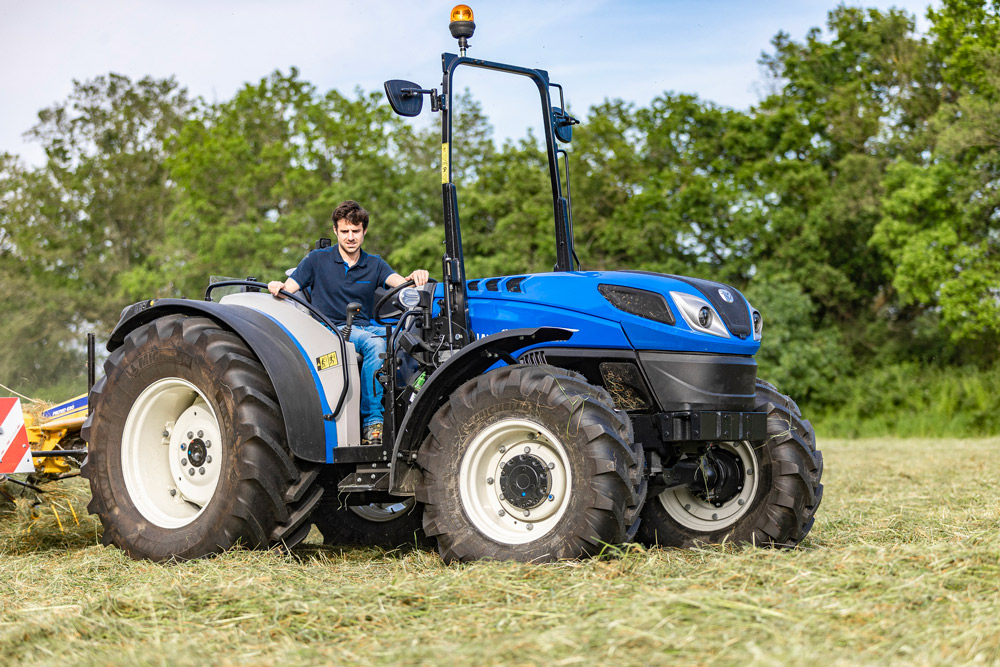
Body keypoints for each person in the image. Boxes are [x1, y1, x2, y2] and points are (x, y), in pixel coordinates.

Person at [268, 200, 429, 446]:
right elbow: (288, 289)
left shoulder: (374, 263)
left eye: (356, 231)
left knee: (410, 338)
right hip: (329, 328)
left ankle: (409, 406)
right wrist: (276, 287)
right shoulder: (317, 260)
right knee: (376, 344)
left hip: (363, 326)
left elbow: (401, 281)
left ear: (364, 231)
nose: (350, 237)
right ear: (335, 231)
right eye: (345, 231)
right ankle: (373, 422)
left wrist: (416, 277)